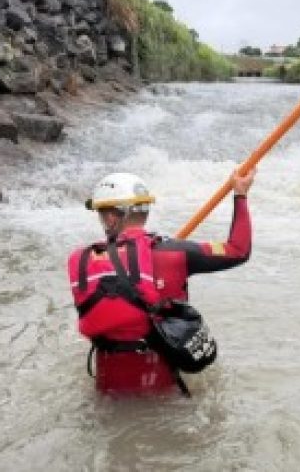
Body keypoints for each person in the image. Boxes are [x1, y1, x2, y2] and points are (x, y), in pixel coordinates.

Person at [67, 170, 254, 396]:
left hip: (110, 391)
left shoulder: (89, 262)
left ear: (111, 218)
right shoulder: (178, 253)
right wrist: (240, 194)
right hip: (165, 387)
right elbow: (238, 250)